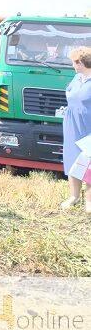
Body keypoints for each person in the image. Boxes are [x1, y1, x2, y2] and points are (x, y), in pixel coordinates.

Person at [60, 47, 91, 212]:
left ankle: (89, 201)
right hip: (72, 124)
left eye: (74, 62)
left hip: (88, 126)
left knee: (88, 163)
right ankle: (74, 196)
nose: (73, 65)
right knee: (72, 160)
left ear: (82, 62)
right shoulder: (77, 78)